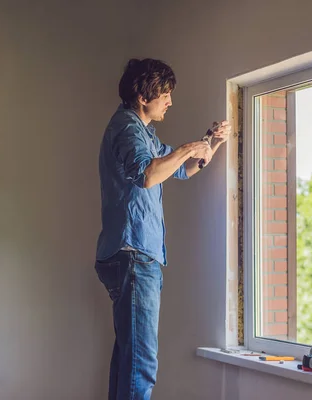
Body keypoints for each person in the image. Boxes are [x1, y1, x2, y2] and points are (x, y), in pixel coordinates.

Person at [94, 58, 230, 399]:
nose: (170, 101)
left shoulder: (143, 134)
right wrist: (187, 148)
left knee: (128, 358)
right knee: (141, 362)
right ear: (144, 95)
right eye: (165, 94)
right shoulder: (126, 128)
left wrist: (210, 142)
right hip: (134, 255)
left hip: (131, 254)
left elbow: (183, 169)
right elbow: (148, 174)